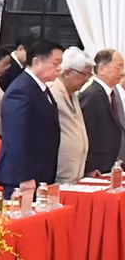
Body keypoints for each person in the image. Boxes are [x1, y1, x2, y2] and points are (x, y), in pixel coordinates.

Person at [0, 40, 63, 188]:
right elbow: (16, 136)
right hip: (23, 175)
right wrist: (24, 176)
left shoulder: (41, 88)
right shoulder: (21, 90)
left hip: (42, 171)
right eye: (55, 63)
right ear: (37, 62)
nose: (60, 69)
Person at [49, 48, 92, 185]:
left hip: (76, 172)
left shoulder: (74, 94)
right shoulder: (51, 91)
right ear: (67, 72)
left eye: (89, 76)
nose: (86, 80)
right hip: (57, 171)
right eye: (83, 75)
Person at [80, 49, 125, 176]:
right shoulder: (92, 95)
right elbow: (87, 133)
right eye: (118, 67)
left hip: (111, 166)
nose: (122, 73)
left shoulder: (110, 94)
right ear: (102, 68)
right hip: (97, 168)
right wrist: (89, 167)